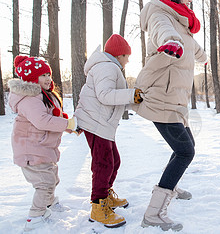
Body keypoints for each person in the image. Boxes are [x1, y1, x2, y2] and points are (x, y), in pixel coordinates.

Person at [133, 0, 207, 231]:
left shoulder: (181, 20)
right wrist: (170, 42)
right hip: (160, 97)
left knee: (186, 147)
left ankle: (171, 184)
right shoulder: (159, 14)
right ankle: (153, 213)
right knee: (186, 151)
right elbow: (164, 33)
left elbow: (190, 44)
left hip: (175, 98)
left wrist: (202, 56)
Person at [74, 34, 143, 228]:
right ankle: (98, 207)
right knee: (103, 163)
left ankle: (106, 195)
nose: (128, 60)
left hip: (101, 122)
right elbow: (105, 96)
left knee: (114, 161)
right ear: (119, 54)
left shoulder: (109, 67)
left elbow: (113, 99)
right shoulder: (107, 66)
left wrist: (134, 100)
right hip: (95, 122)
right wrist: (131, 94)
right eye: (127, 55)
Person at [8, 56, 77, 232]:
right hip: (30, 149)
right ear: (32, 78)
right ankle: (35, 216)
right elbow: (42, 121)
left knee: (52, 178)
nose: (48, 78)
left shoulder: (43, 95)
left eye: (49, 74)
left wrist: (69, 127)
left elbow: (53, 117)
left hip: (41, 147)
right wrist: (67, 124)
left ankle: (49, 203)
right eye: (43, 75)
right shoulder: (29, 98)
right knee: (45, 183)